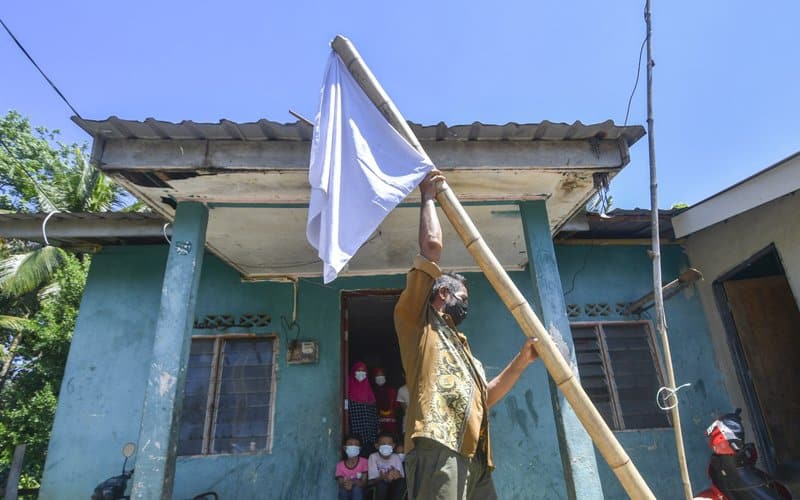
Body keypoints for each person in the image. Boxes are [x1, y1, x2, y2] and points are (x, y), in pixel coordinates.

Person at [394, 170, 539, 500]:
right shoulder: (418, 324)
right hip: (437, 445)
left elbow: (484, 399)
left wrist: (523, 359)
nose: (466, 306)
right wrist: (428, 196)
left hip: (476, 456)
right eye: (464, 297)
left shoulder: (463, 350)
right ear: (443, 293)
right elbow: (432, 247)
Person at [348, 361, 378, 455]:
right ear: (353, 372)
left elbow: (374, 414)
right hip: (354, 434)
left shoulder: (368, 390)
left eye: (363, 371)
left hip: (370, 435)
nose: (361, 373)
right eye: (358, 370)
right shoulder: (347, 389)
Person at [368, 431, 406, 500]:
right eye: (383, 444)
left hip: (393, 486)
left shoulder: (396, 457)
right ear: (377, 446)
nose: (386, 446)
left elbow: (401, 478)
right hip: (379, 486)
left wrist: (397, 474)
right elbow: (371, 480)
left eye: (389, 444)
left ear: (393, 446)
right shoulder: (373, 457)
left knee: (401, 483)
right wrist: (383, 477)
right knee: (382, 484)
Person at [335, 435, 368, 500]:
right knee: (343, 491)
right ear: (345, 448)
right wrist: (347, 485)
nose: (353, 446)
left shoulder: (364, 462)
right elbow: (340, 484)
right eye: (350, 444)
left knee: (356, 489)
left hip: (360, 492)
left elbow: (364, 483)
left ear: (360, 448)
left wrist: (353, 483)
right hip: (346, 491)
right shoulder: (340, 465)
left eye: (356, 444)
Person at [373, 367, 399, 435]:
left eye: (382, 375)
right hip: (377, 424)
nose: (380, 378)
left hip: (392, 423)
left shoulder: (392, 391)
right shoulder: (371, 392)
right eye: (377, 376)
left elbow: (396, 407)